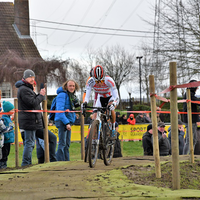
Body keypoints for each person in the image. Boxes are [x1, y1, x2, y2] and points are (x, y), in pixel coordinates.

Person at [15, 69, 46, 166]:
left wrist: (38, 95)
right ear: (25, 78)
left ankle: (27, 163)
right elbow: (32, 103)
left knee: (30, 143)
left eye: (33, 77)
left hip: (31, 120)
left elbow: (33, 101)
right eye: (30, 77)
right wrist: (41, 96)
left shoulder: (27, 88)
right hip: (29, 121)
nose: (32, 79)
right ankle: (25, 163)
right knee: (29, 143)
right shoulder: (24, 89)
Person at [82, 65, 119, 140]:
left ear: (104, 77)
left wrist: (114, 103)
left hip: (110, 97)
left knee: (110, 109)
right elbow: (87, 95)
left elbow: (116, 97)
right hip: (100, 97)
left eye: (101, 81)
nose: (99, 83)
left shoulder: (109, 80)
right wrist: (85, 102)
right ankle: (94, 138)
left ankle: (113, 128)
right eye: (97, 81)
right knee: (95, 115)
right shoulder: (91, 81)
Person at [55, 79, 80, 161]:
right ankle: (59, 162)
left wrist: (73, 115)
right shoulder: (62, 95)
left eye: (73, 86)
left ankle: (66, 162)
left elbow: (68, 109)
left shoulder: (71, 96)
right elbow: (60, 111)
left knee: (67, 144)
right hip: (62, 121)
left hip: (67, 121)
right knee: (62, 144)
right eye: (70, 86)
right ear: (66, 86)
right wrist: (66, 123)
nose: (72, 87)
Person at [182, 80, 200, 155]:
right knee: (189, 140)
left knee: (194, 139)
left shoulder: (191, 94)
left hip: (193, 119)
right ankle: (185, 156)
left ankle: (191, 155)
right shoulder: (189, 94)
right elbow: (196, 101)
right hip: (190, 119)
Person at [0, 101, 15, 169]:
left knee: (7, 152)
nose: (13, 111)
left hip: (8, 140)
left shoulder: (8, 118)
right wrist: (7, 137)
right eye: (12, 110)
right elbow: (4, 129)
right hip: (6, 140)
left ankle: (4, 164)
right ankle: (2, 165)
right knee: (4, 153)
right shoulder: (4, 119)